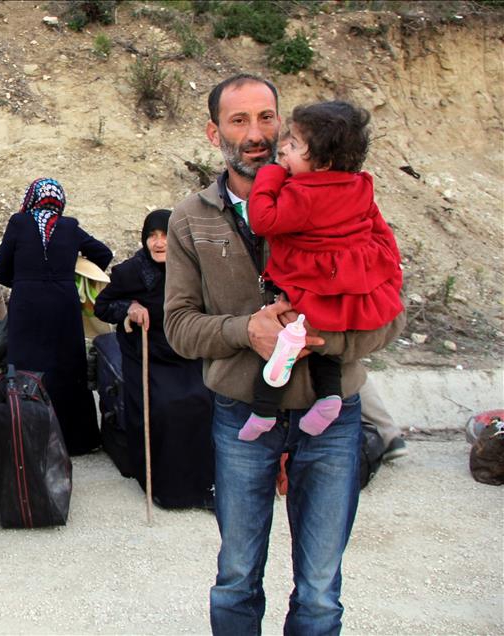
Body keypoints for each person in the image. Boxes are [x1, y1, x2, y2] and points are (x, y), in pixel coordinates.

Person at [163, 74, 406, 634]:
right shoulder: (190, 218)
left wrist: (319, 340)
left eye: (267, 118)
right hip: (241, 417)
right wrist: (247, 331)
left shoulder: (345, 202)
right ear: (214, 132)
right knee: (236, 578)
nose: (256, 134)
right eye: (239, 120)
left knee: (320, 591)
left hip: (333, 418)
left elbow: (392, 313)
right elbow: (178, 328)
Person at [240, 103, 403, 442]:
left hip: (308, 284)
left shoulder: (303, 193)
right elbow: (379, 233)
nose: (284, 149)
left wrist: (271, 174)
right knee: (325, 345)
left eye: (294, 145)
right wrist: (385, 272)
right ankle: (329, 398)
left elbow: (263, 220)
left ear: (323, 163)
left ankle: (263, 412)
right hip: (346, 287)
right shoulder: (360, 186)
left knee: (286, 343)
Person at [94, 209, 214, 509]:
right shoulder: (131, 272)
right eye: (152, 236)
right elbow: (102, 307)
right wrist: (130, 308)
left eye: (165, 236)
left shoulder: (191, 267)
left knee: (203, 401)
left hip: (185, 352)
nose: (159, 243)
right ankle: (164, 486)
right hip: (147, 353)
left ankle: (203, 485)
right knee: (164, 408)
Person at [0, 177, 112, 455]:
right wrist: (73, 271)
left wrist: (23, 281)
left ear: (31, 198)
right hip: (63, 305)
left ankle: (29, 438)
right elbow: (103, 253)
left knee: (27, 368)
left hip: (27, 306)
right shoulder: (69, 226)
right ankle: (75, 440)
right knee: (67, 367)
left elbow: (0, 270)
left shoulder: (19, 223)